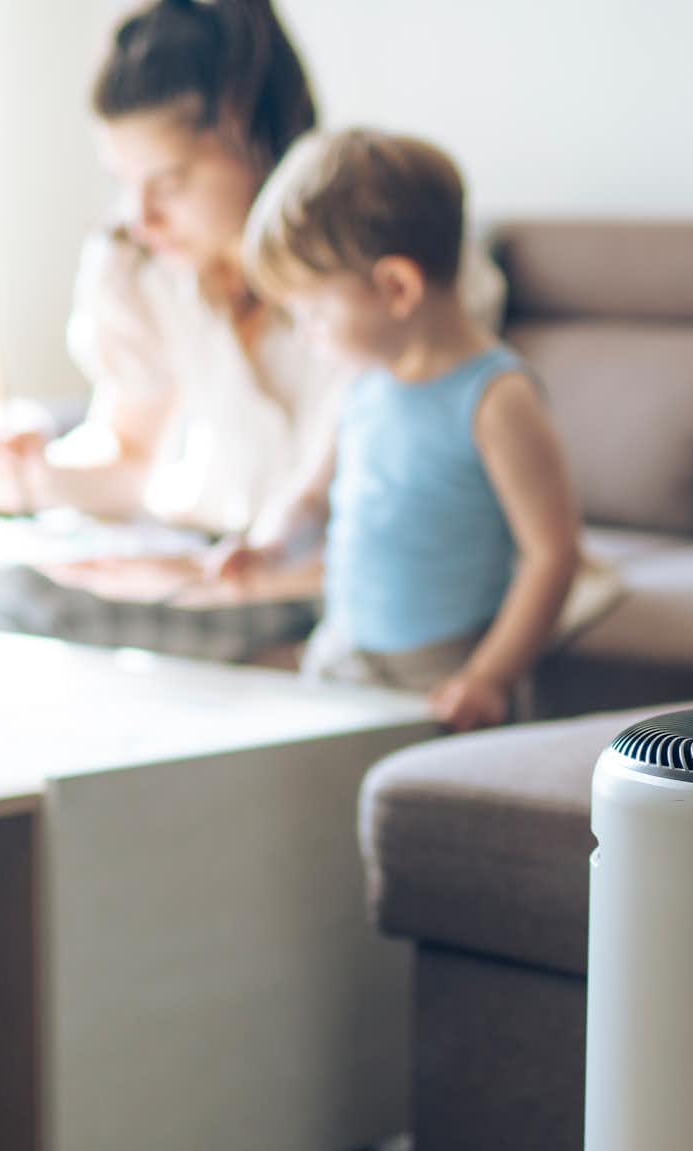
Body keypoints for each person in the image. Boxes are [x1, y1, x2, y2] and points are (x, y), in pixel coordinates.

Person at [0, 0, 502, 663]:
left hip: (315, 574)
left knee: (8, 601)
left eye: (170, 183)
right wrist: (29, 475)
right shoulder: (138, 271)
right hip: (198, 554)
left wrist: (248, 564)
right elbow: (131, 456)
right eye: (124, 182)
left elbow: (357, 496)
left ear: (249, 135)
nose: (142, 216)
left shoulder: (375, 274)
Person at [213, 129, 581, 732]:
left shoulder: (495, 399)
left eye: (313, 311)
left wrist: (489, 677)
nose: (304, 333)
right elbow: (308, 494)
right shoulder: (358, 386)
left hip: (440, 669)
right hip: (341, 650)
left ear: (396, 288)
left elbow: (552, 554)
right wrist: (267, 544)